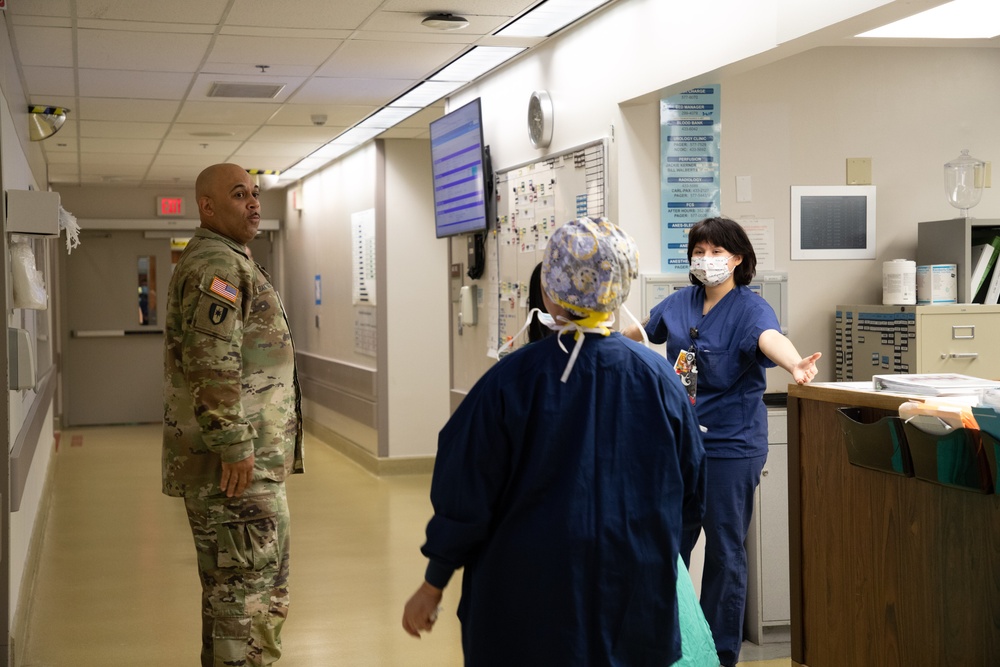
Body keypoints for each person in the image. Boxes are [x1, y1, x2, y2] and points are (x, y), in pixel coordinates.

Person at [402, 217, 709, 666]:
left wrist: (434, 583)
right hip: (633, 598)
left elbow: (465, 492)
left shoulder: (510, 382)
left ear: (550, 289)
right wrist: (659, 560)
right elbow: (691, 491)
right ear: (620, 287)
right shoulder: (659, 379)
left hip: (527, 603)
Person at [623, 215, 821, 667]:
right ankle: (666, 644)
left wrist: (795, 366)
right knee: (668, 542)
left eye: (716, 252)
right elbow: (642, 329)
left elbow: (771, 339)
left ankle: (718, 653)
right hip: (681, 443)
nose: (706, 260)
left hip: (732, 445)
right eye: (699, 251)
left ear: (737, 259)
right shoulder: (679, 303)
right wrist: (603, 338)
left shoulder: (751, 310)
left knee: (725, 551)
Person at [162, 163, 304, 666]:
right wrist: (235, 447)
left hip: (248, 467)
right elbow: (211, 363)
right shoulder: (217, 269)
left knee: (236, 601)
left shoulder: (227, 259)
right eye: (239, 194)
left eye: (255, 193)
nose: (253, 203)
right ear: (207, 206)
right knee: (246, 606)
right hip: (238, 473)